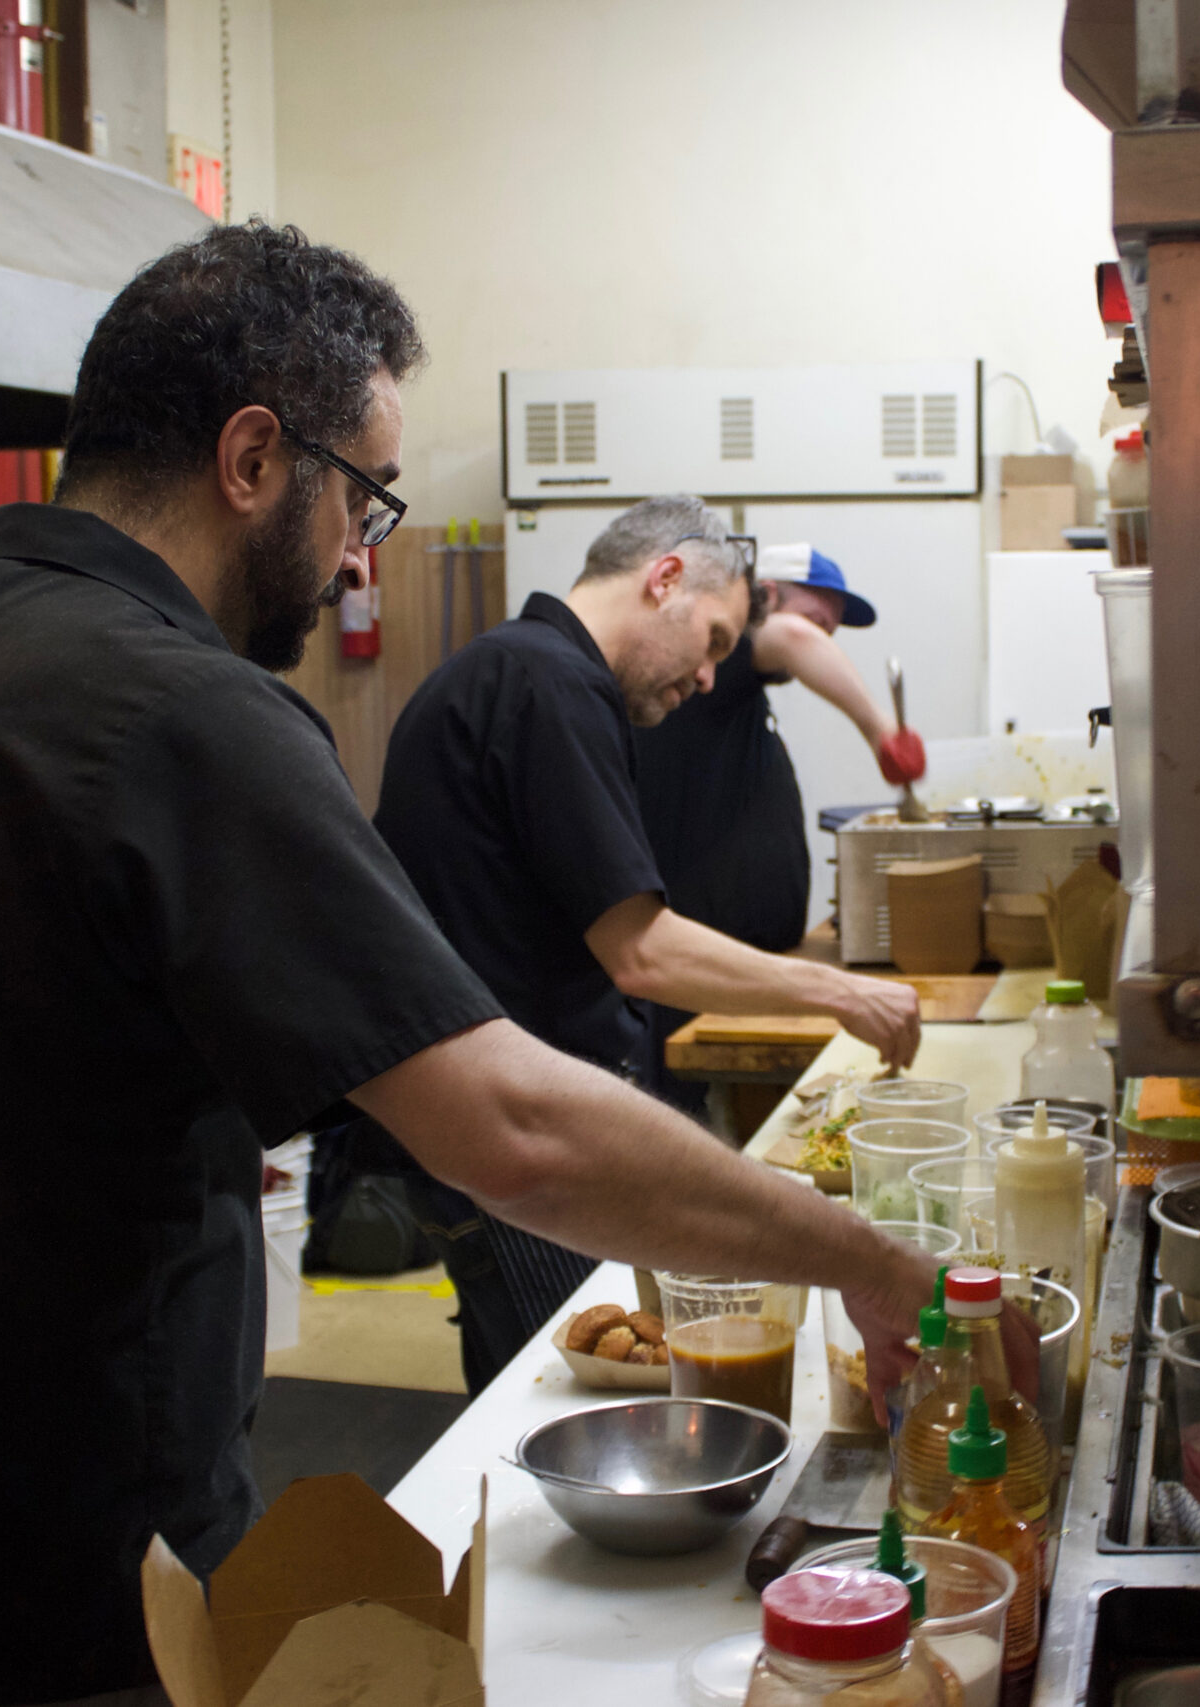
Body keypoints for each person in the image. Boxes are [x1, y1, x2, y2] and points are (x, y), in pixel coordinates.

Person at [0, 223, 964, 1707]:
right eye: (367, 496)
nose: (360, 551)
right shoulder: (183, 714)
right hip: (83, 1604)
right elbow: (510, 1132)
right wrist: (869, 1255)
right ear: (255, 458)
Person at [368, 497, 928, 1388]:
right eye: (711, 642)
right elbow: (641, 948)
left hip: (528, 1135)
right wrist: (841, 993)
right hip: (524, 1147)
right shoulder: (545, 682)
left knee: (560, 1399)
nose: (712, 678)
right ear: (664, 578)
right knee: (557, 1410)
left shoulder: (533, 675)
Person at [632, 544, 926, 1106]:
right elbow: (791, 638)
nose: (822, 637)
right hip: (700, 974)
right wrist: (882, 733)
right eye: (819, 618)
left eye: (831, 631)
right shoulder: (720, 656)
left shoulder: (738, 696)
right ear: (763, 595)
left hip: (745, 971)